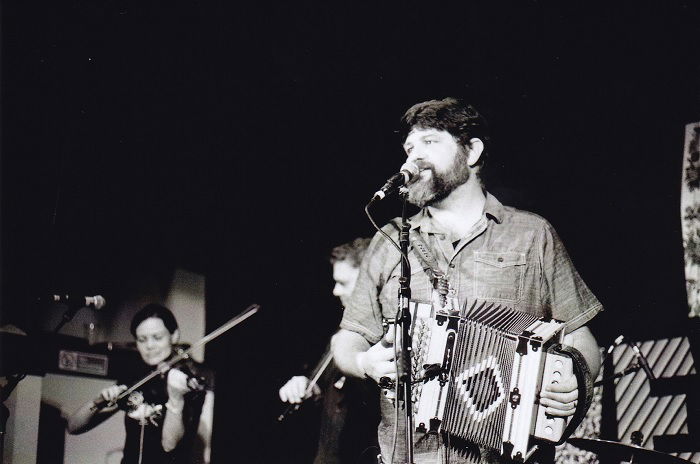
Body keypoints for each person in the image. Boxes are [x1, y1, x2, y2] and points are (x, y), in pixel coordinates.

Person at [331, 98, 602, 464]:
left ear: (472, 151)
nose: (413, 158)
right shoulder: (389, 240)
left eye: (430, 142)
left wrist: (572, 377)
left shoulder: (532, 234)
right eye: (409, 148)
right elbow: (348, 338)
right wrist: (364, 362)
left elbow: (579, 334)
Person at [66, 303, 214, 464]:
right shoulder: (136, 378)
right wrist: (99, 401)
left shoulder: (187, 383)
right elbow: (73, 427)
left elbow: (169, 445)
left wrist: (176, 399)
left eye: (157, 338)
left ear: (174, 336)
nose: (149, 346)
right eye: (142, 340)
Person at [278, 238, 380, 464]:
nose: (335, 291)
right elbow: (324, 386)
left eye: (343, 283)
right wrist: (307, 385)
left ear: (369, 282)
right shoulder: (342, 334)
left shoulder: (386, 336)